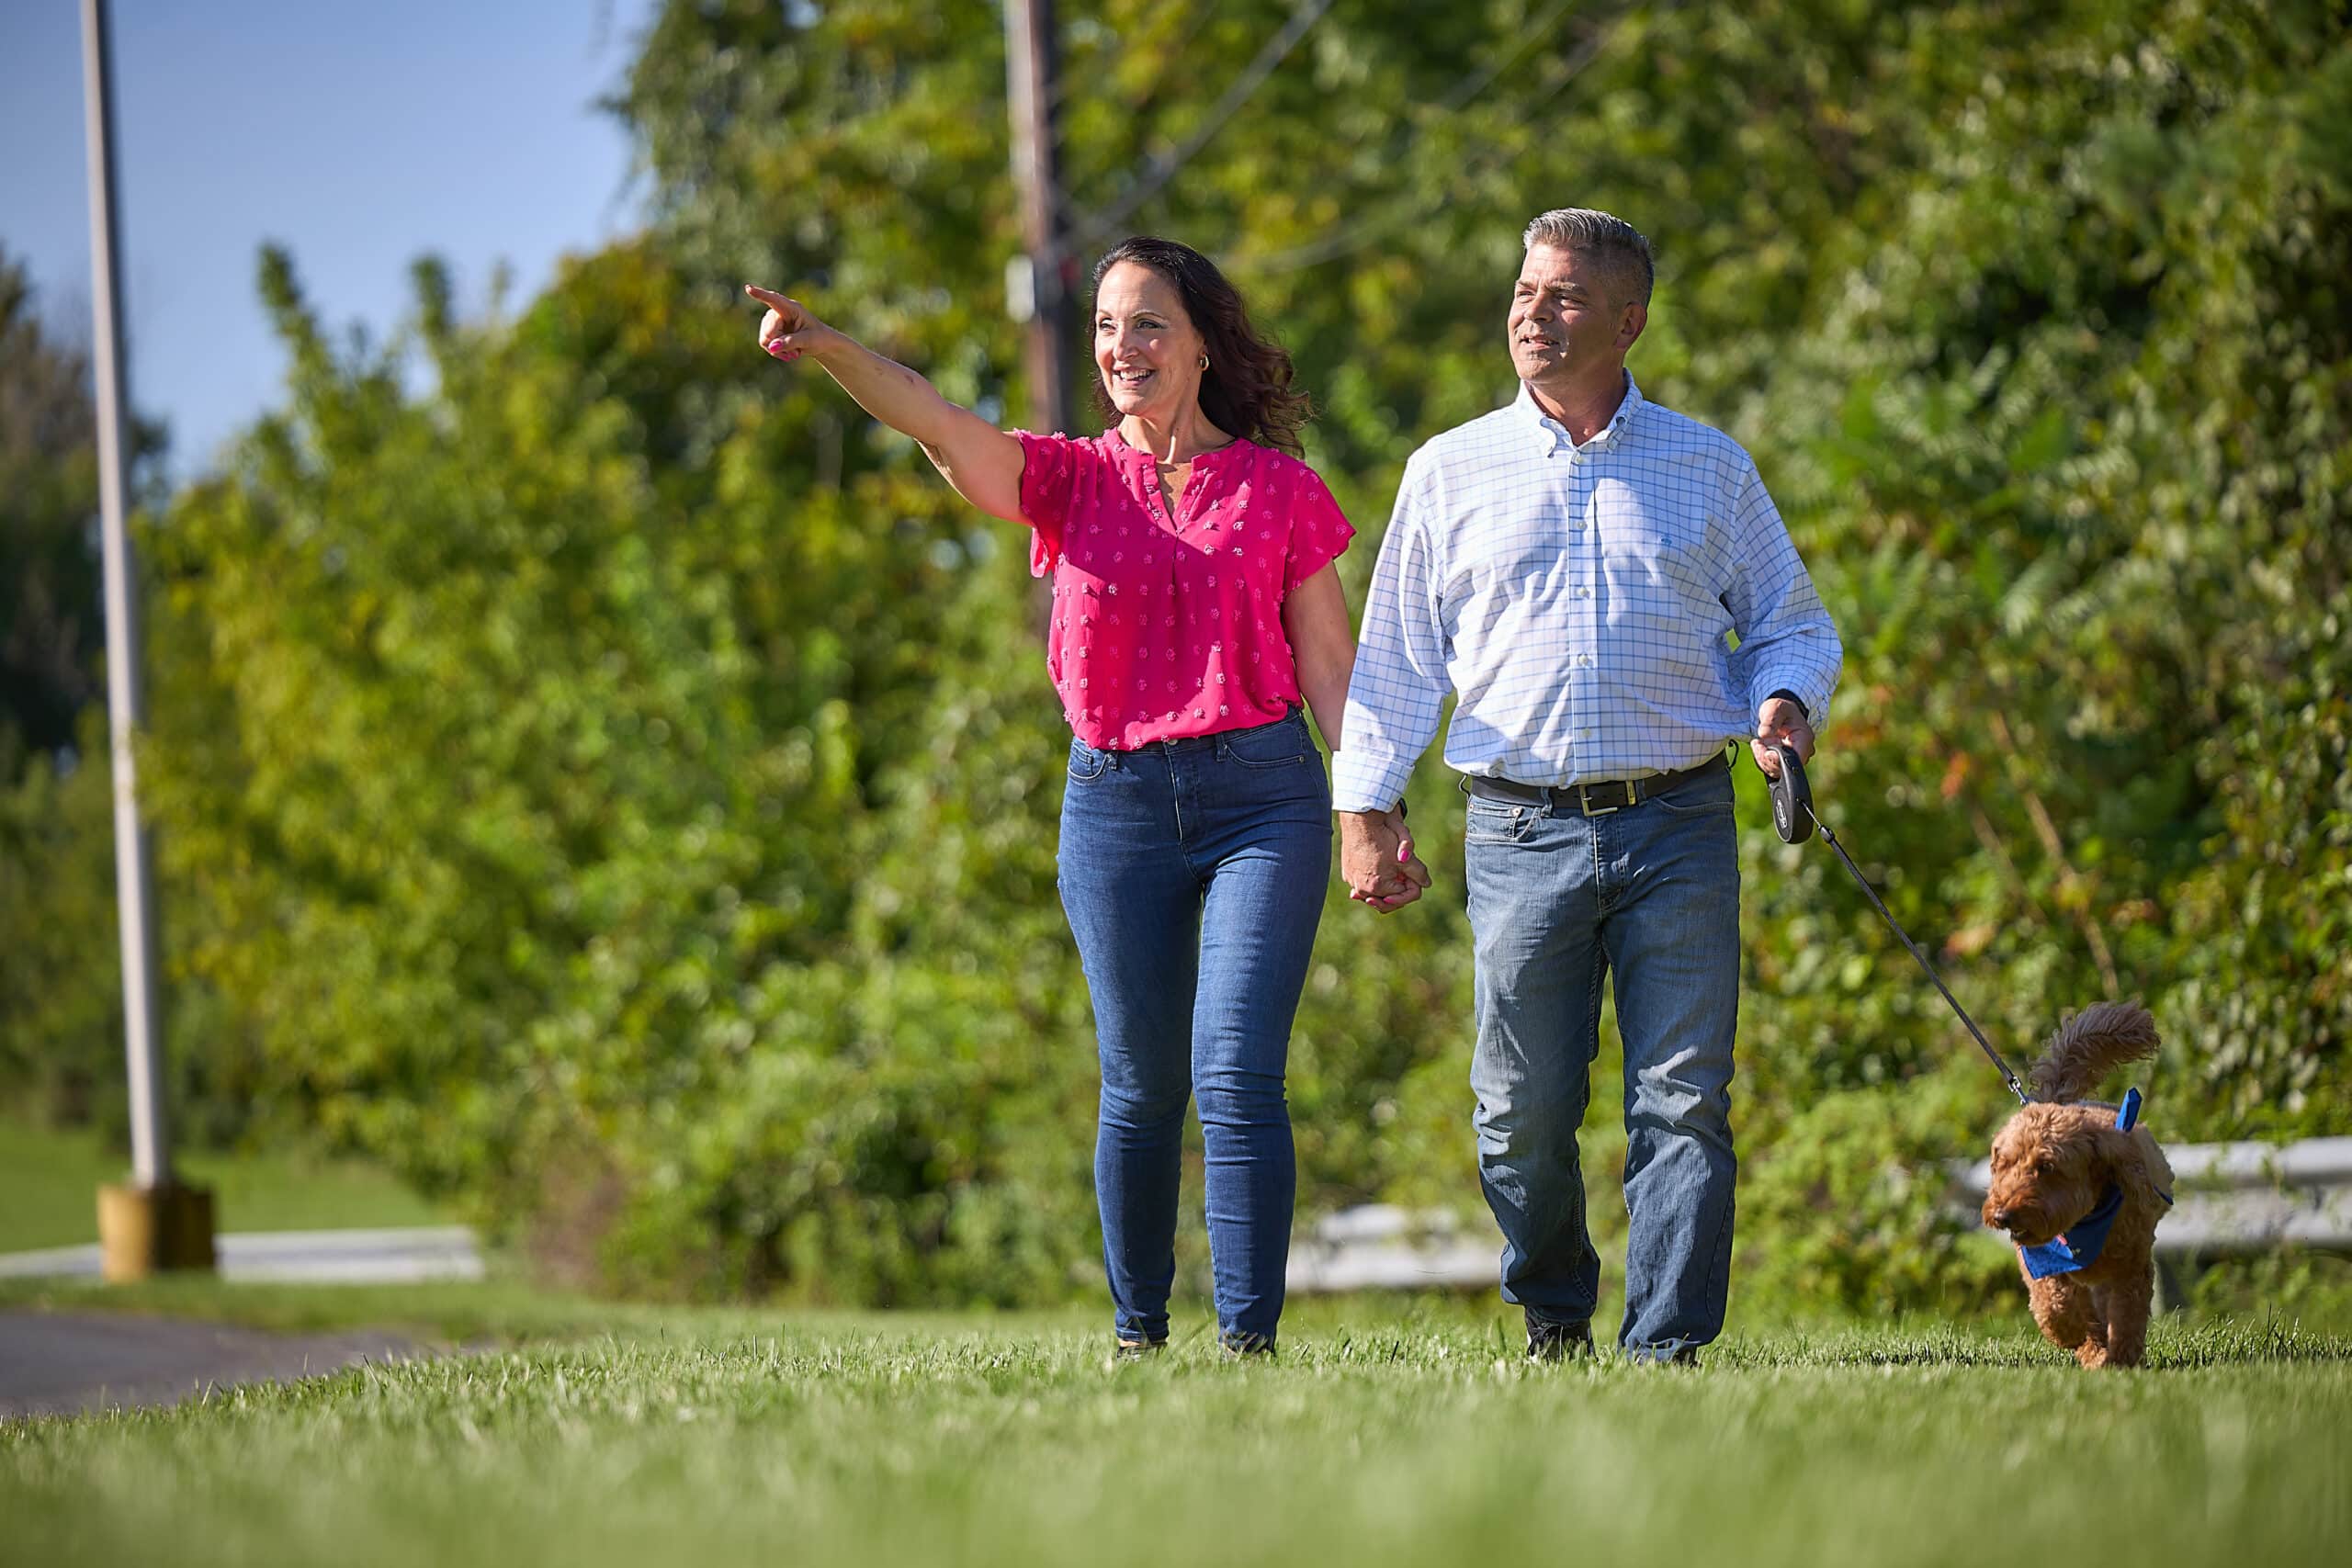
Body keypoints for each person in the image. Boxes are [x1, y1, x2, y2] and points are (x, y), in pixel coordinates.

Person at [744, 236, 1359, 1359]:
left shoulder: (1280, 488)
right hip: (1116, 806)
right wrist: (832, 349)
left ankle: (1248, 1346)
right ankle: (1138, 1336)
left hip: (1261, 800)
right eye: (1107, 326)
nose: (1123, 346)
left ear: (1202, 344)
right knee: (1139, 1083)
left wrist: (1368, 810)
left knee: (1234, 1072)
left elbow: (1328, 664)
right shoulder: (1067, 480)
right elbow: (938, 421)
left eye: (1149, 323)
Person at [1329, 209, 1843, 1363]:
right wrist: (1365, 813)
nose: (1532, 312)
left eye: (1562, 296)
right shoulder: (1448, 469)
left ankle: (1665, 1349)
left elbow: (1792, 625)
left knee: (1683, 1100)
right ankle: (1556, 1311)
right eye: (1524, 290)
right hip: (1517, 831)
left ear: (1627, 321)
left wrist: (1782, 702)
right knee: (1516, 1118)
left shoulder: (1709, 466)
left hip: (1679, 820)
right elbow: (1397, 664)